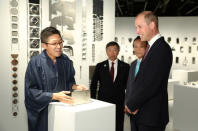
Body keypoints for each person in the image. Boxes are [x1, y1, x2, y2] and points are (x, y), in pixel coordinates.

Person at [25, 27, 85, 131]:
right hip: (43, 112)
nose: (59, 46)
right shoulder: (35, 63)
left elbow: (69, 81)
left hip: (63, 110)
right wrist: (52, 96)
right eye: (54, 43)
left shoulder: (65, 60)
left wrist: (75, 86)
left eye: (60, 42)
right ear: (44, 45)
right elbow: (31, 91)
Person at [125, 11, 173, 131]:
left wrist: (131, 104)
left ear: (152, 25)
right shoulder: (153, 48)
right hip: (144, 115)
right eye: (136, 27)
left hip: (151, 116)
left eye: (139, 27)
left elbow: (150, 84)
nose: (137, 31)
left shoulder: (161, 49)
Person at [90, 41, 129, 131]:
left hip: (119, 101)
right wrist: (93, 100)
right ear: (106, 51)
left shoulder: (125, 66)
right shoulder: (100, 66)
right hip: (103, 101)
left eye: (115, 50)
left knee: (119, 125)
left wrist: (128, 102)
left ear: (118, 51)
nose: (112, 53)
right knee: (104, 124)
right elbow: (93, 85)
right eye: (109, 50)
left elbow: (129, 86)